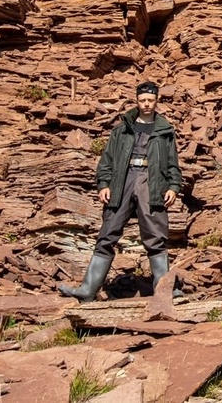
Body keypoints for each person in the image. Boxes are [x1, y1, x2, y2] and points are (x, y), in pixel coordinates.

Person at [59, 81, 182, 302]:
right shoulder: (122, 129)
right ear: (137, 100)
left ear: (156, 101)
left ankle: (164, 291)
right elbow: (107, 160)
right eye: (142, 100)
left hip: (151, 182)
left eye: (150, 100)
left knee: (156, 237)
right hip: (122, 181)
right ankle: (88, 290)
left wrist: (173, 187)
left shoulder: (165, 130)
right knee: (108, 233)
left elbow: (173, 163)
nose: (146, 104)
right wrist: (103, 184)